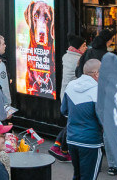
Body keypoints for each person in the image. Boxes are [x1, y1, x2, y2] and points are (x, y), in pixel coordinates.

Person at [49, 33, 88, 162]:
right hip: (72, 96)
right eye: (84, 45)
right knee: (71, 124)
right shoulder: (77, 59)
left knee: (70, 123)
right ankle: (62, 150)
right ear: (78, 47)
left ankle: (57, 146)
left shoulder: (68, 56)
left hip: (66, 93)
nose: (86, 48)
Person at [62, 60, 103, 180]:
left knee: (77, 175)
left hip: (72, 139)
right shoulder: (98, 91)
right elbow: (103, 119)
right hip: (91, 141)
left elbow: (64, 110)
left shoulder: (71, 85)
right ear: (96, 74)